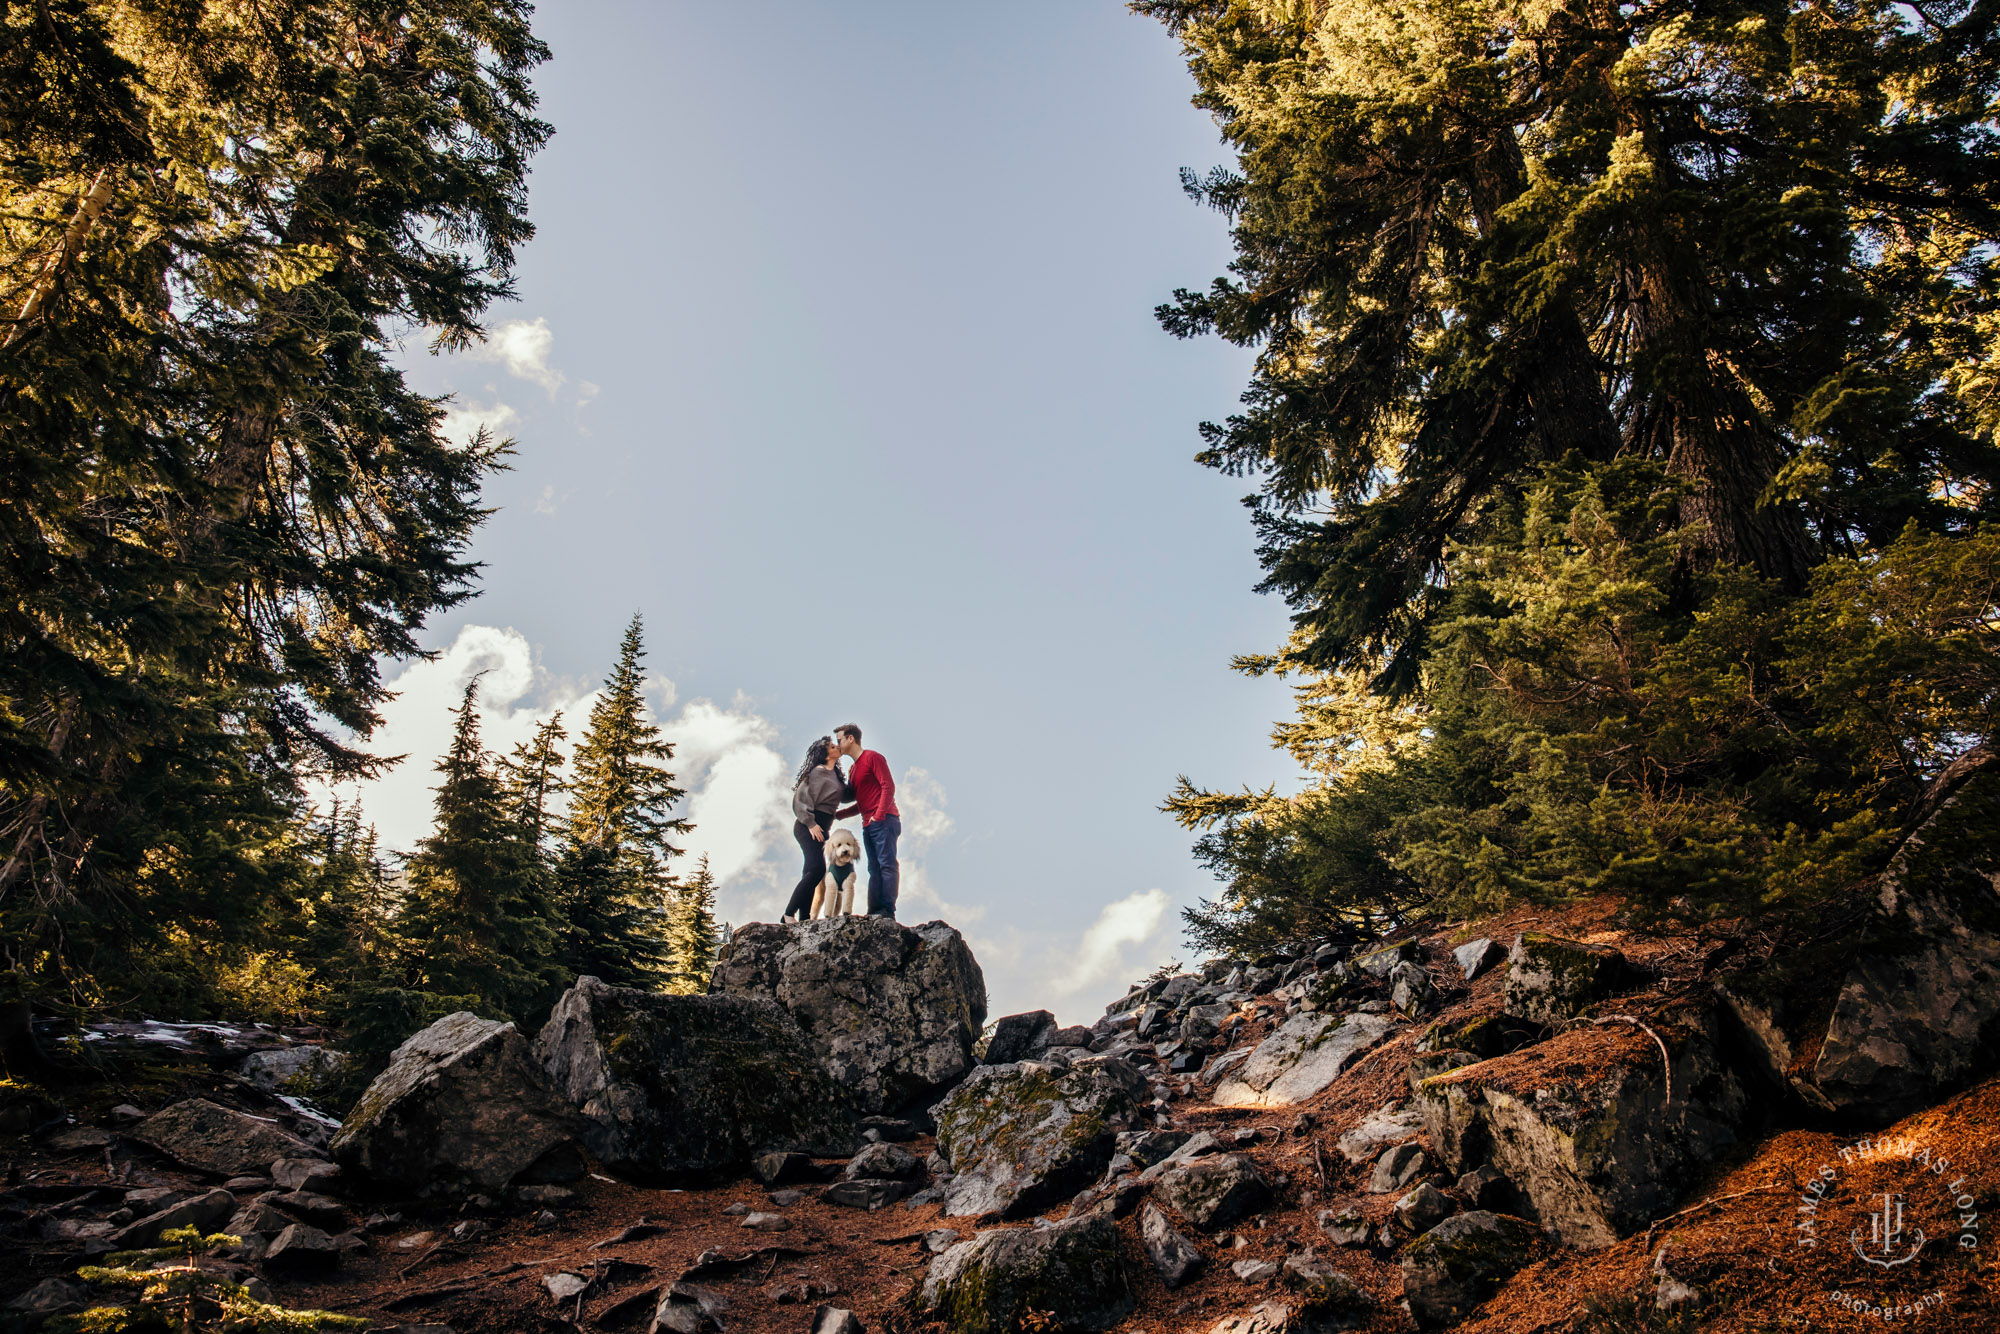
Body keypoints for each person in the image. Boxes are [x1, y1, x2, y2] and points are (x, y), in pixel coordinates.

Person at [783, 735, 855, 923]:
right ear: (825, 754)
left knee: (810, 871)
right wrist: (810, 823)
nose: (836, 747)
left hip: (823, 828)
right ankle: (788, 914)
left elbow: (847, 795)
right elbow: (800, 799)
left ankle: (804, 917)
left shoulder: (836, 777)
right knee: (817, 869)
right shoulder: (817, 772)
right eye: (832, 746)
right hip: (808, 826)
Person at [834, 723, 899, 918]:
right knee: (874, 868)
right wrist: (839, 815)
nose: (837, 744)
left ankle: (887, 911)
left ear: (850, 738)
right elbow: (861, 802)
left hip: (885, 820)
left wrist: (878, 815)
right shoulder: (853, 770)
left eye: (839, 740)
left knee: (887, 864)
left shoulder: (873, 757)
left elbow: (888, 787)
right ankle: (874, 911)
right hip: (869, 824)